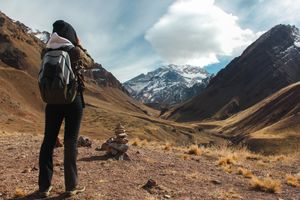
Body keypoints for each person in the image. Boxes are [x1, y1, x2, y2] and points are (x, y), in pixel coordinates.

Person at [38, 20, 94, 198]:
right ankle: (71, 186)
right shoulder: (74, 51)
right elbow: (90, 63)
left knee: (48, 142)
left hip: (52, 103)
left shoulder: (45, 51)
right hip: (72, 101)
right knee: (70, 142)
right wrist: (80, 46)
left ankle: (44, 187)